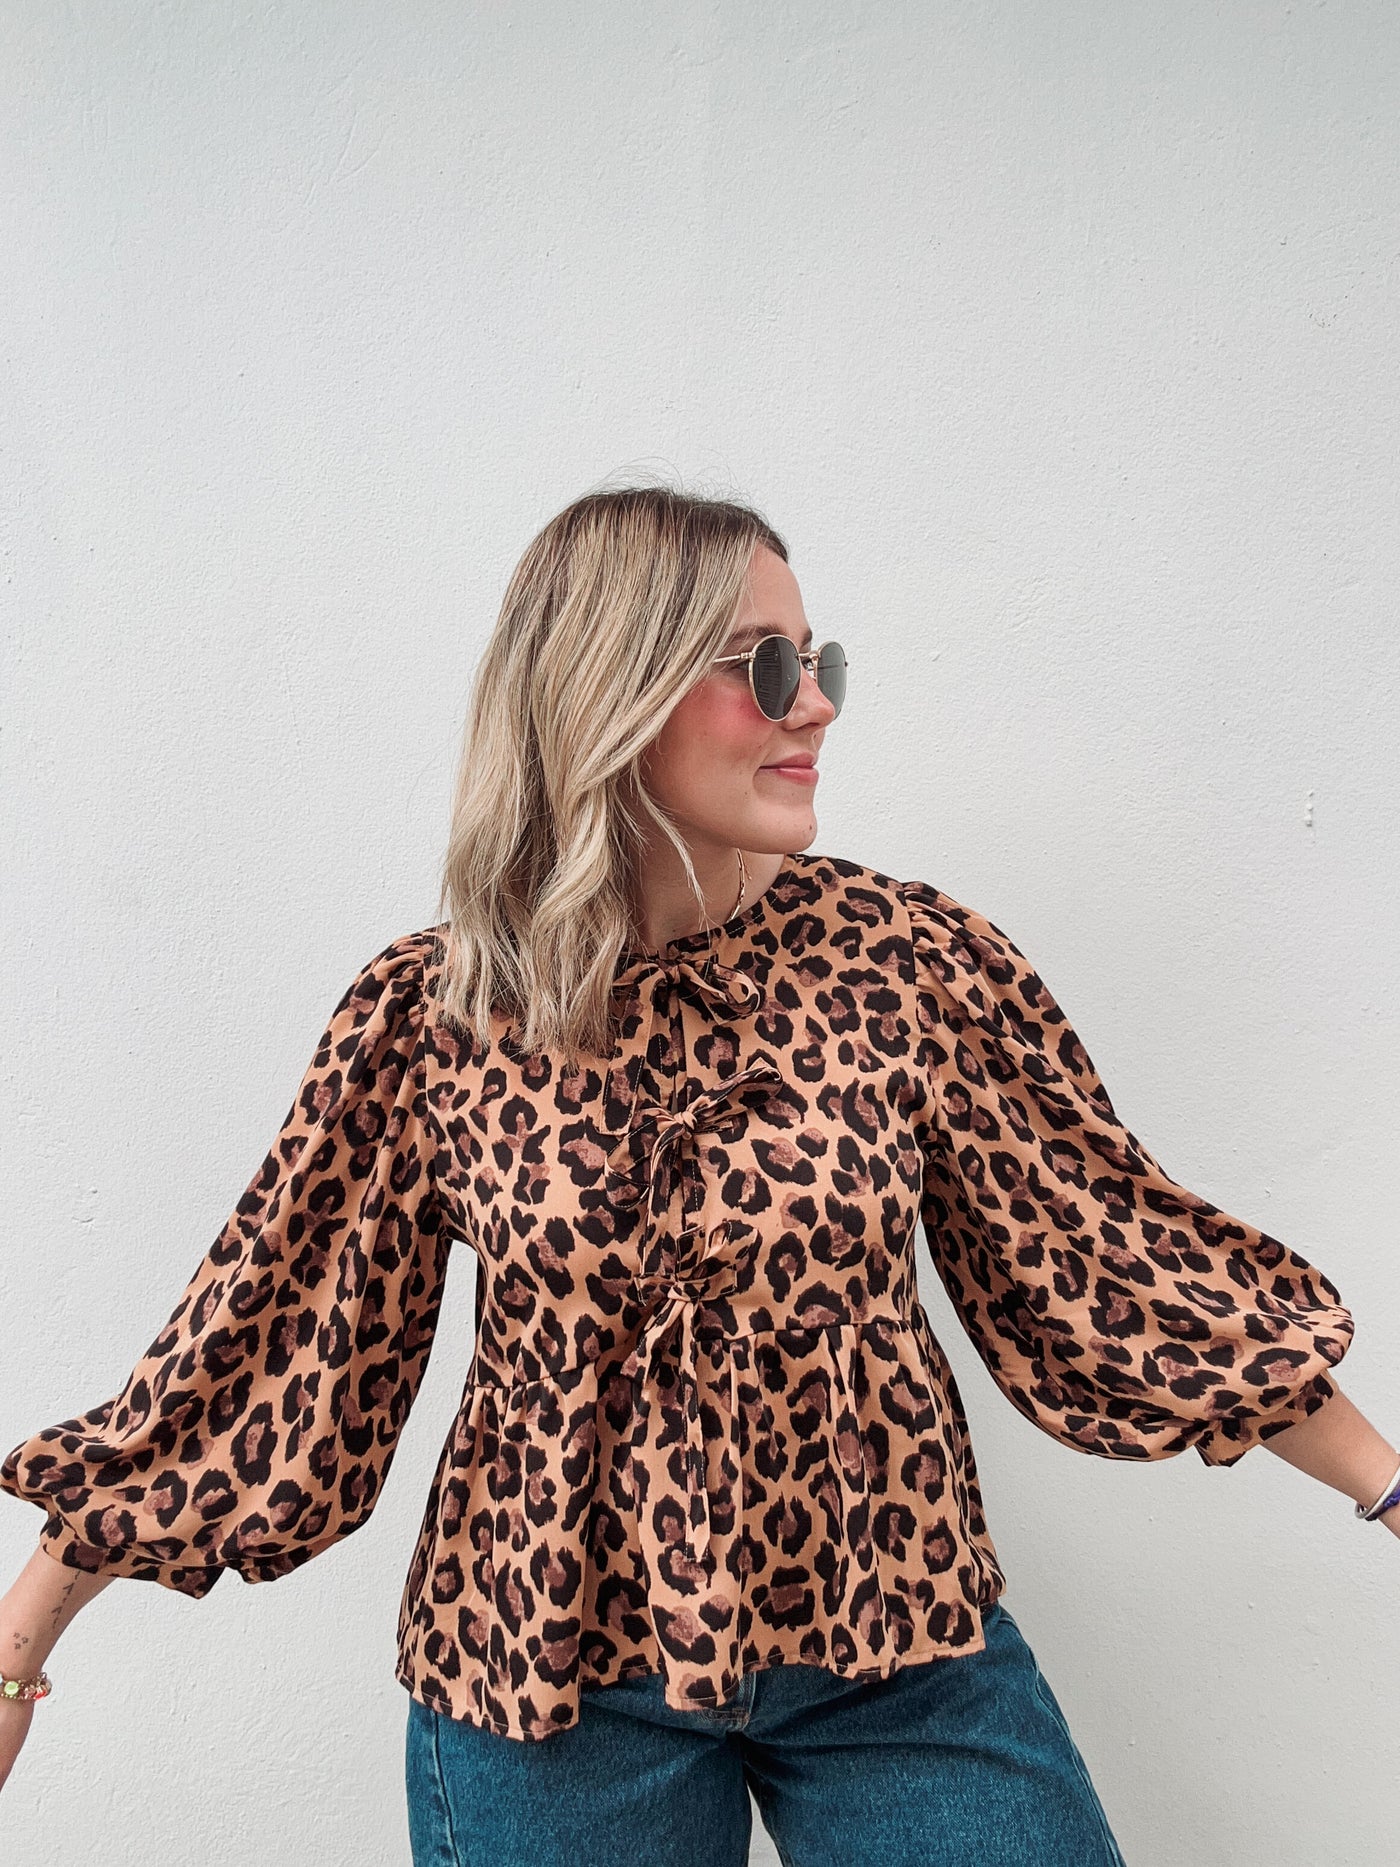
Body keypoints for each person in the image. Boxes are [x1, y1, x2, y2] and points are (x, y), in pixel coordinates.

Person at [1, 486, 1395, 1866]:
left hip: (894, 1642)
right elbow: (270, 1359)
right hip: (546, 1679)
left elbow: (1114, 1265)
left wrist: (1386, 1488)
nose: (817, 706)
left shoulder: (910, 963)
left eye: (819, 660)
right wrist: (17, 1654)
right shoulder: (435, 1014)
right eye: (766, 667)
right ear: (610, 693)